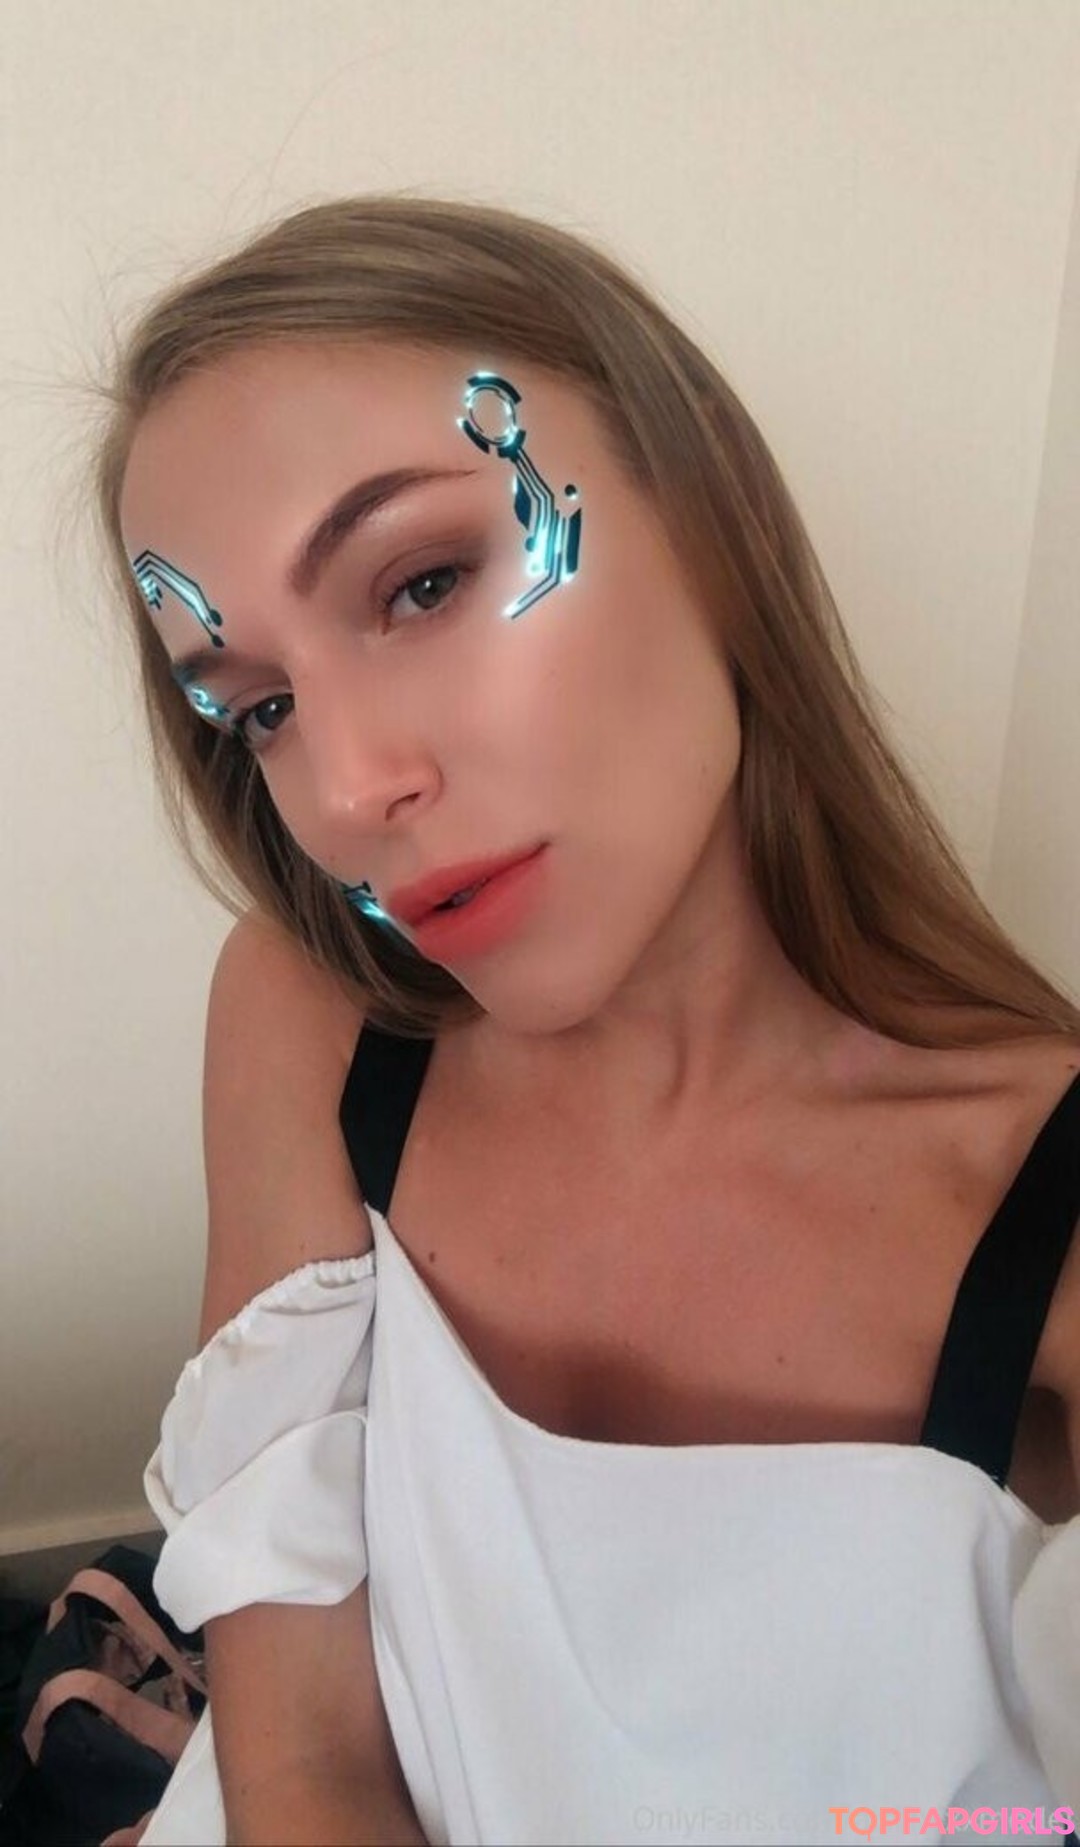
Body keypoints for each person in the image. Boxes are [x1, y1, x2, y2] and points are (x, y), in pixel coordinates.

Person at [94, 196, 1080, 1846]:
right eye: (258, 707)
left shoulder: (1041, 1220)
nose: (343, 793)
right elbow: (303, 1759)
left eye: (421, 583)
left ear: (707, 509)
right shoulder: (310, 1019)